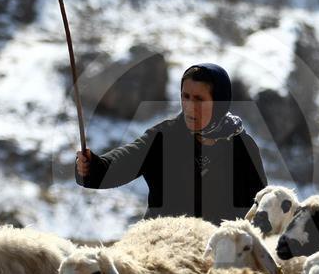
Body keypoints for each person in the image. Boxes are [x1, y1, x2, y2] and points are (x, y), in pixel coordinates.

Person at [75, 63, 268, 224]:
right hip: (164, 248)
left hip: (218, 256)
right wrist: (91, 167)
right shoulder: (164, 137)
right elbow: (121, 162)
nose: (190, 107)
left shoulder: (243, 148)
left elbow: (260, 209)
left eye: (199, 99)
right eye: (186, 97)